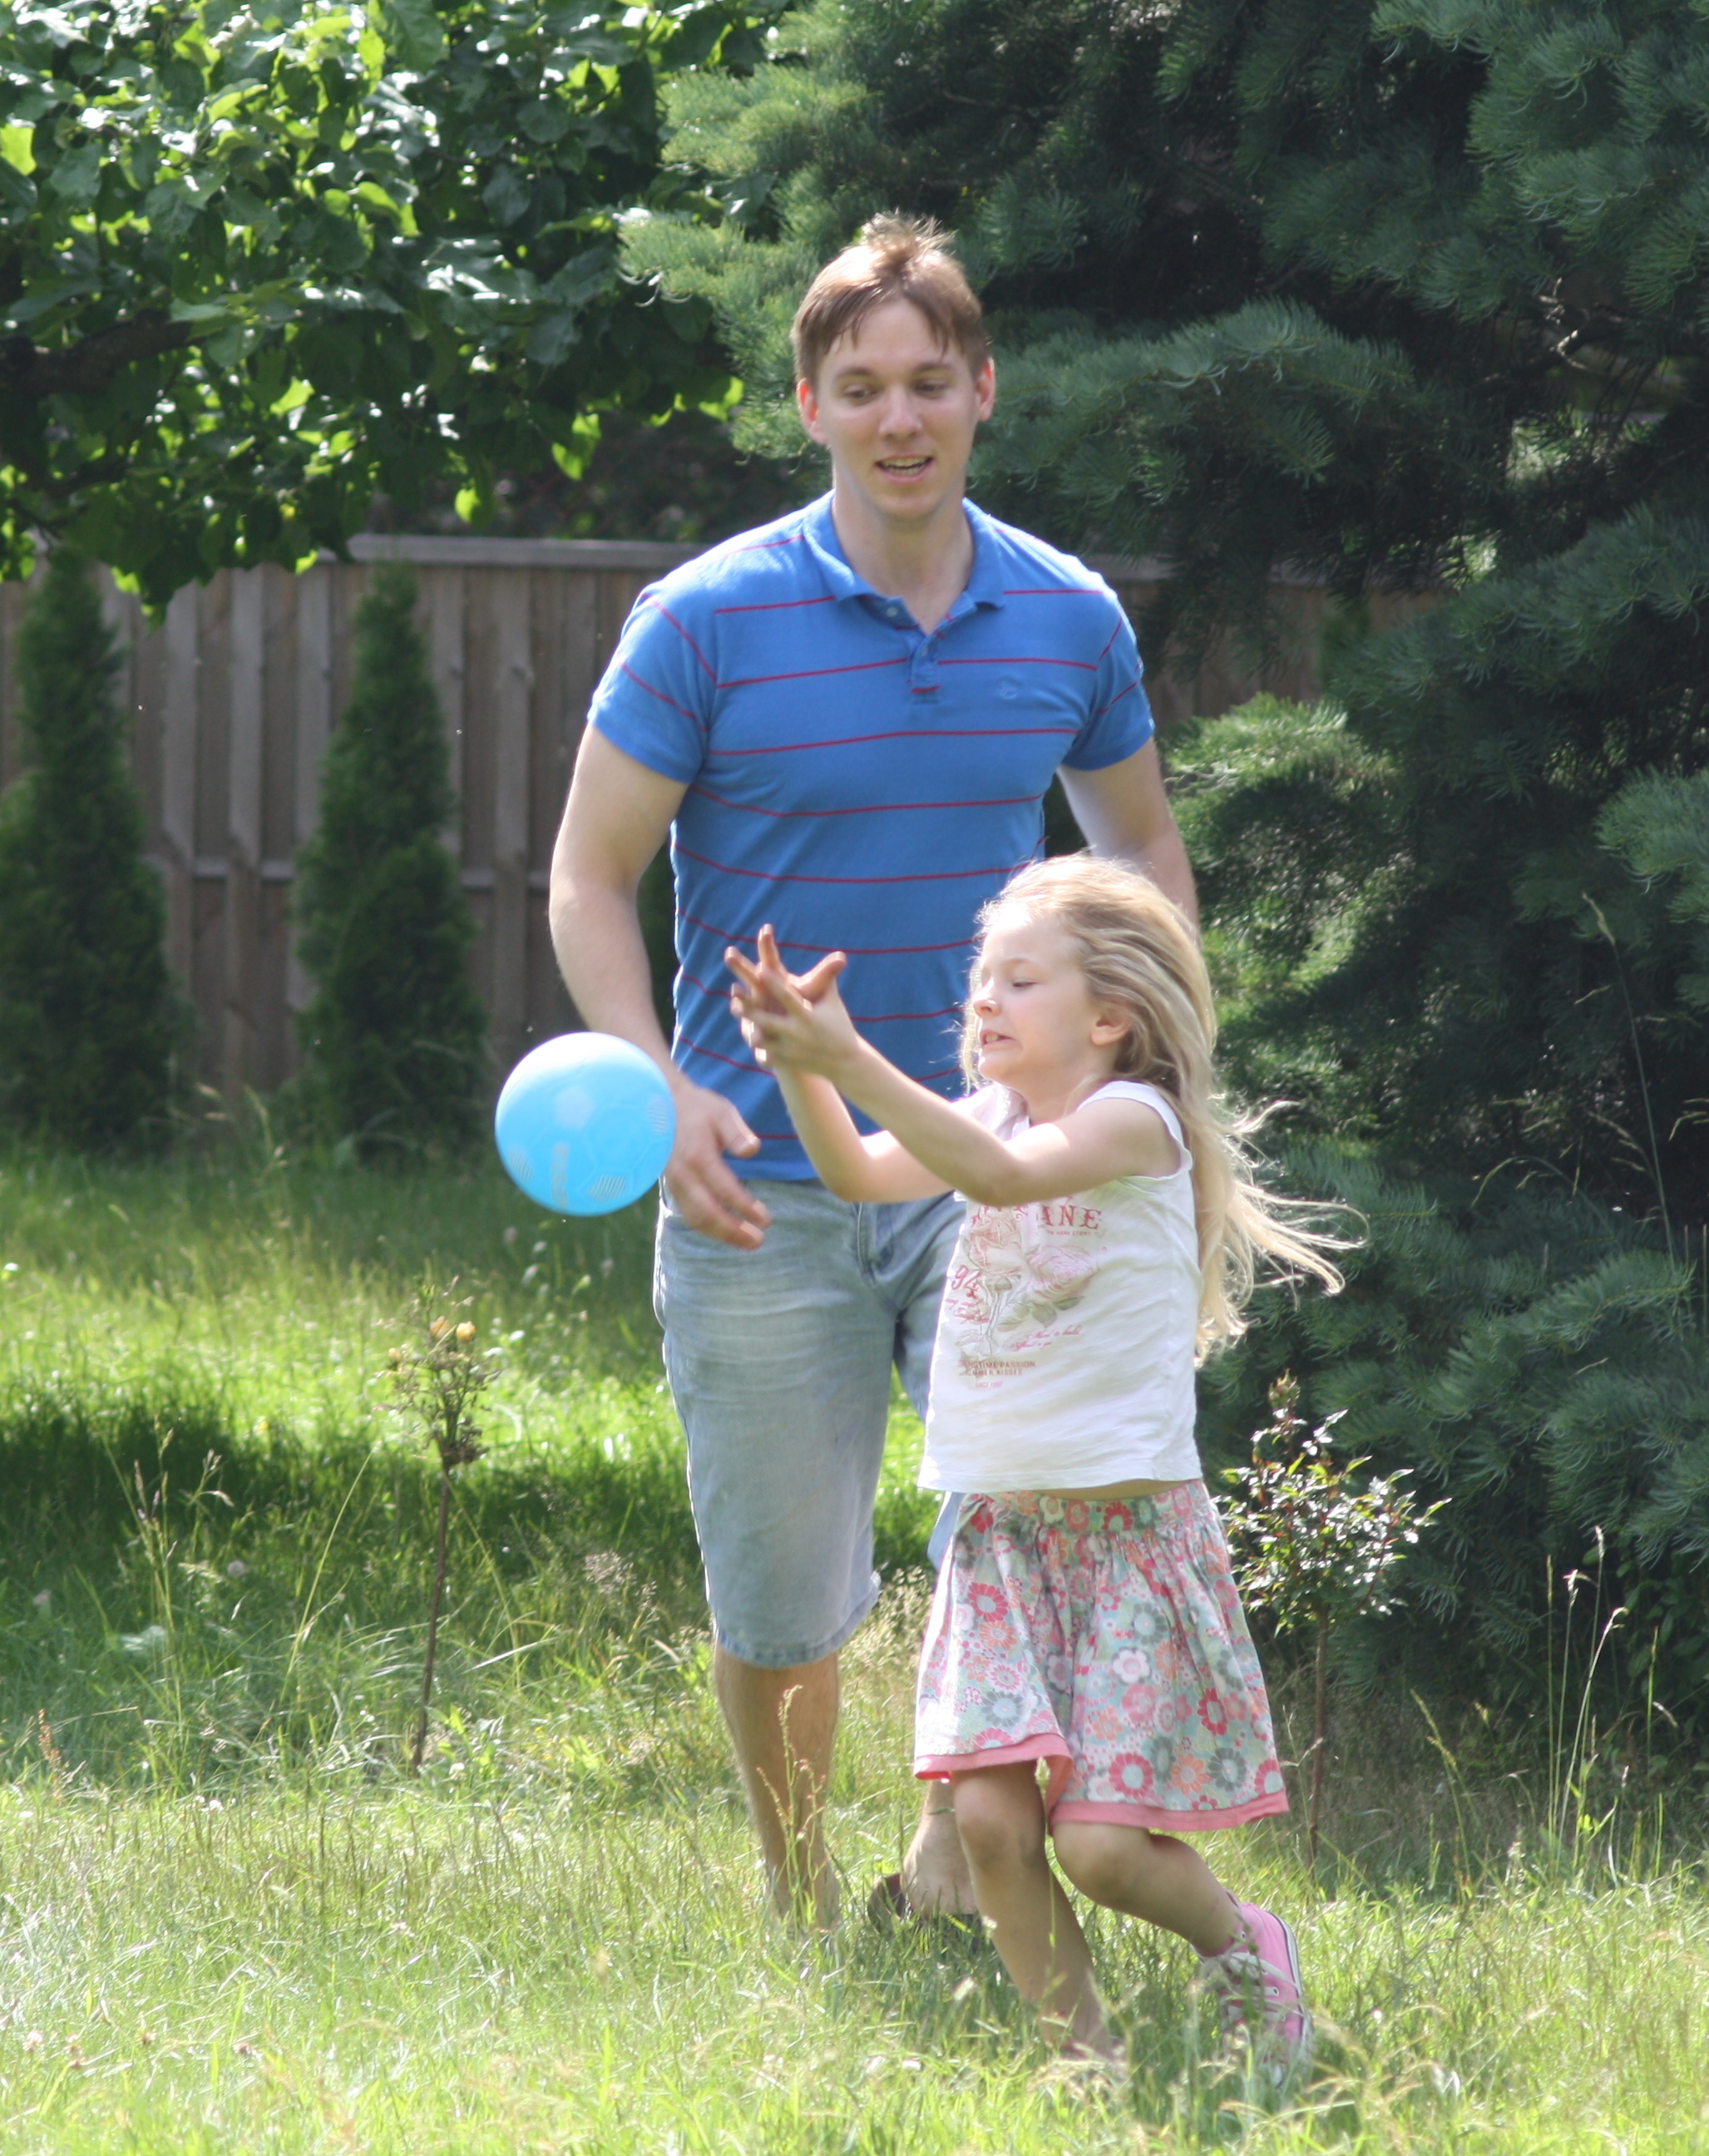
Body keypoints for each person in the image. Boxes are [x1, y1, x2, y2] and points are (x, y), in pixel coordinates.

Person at [546, 214, 1193, 1927]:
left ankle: (942, 1867)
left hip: (998, 1181)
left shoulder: (1066, 617)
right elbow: (588, 876)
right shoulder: (705, 620)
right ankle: (800, 1896)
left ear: (984, 391)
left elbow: (1139, 855)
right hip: (758, 1190)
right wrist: (659, 1088)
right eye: (862, 387)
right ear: (812, 407)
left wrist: (1138, 1082)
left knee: (1033, 1540)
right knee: (780, 1605)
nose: (899, 417)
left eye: (929, 381)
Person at [723, 854, 1341, 2068]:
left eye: (1019, 979)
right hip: (1002, 1540)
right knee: (993, 1825)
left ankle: (1243, 1944)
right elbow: (855, 1173)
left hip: (1124, 1547)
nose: (982, 1000)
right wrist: (802, 1063)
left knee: (1103, 1850)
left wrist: (848, 1055)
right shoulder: (996, 1117)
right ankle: (1087, 2068)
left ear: (1108, 1016)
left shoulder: (1134, 1121)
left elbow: (998, 1180)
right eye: (981, 978)